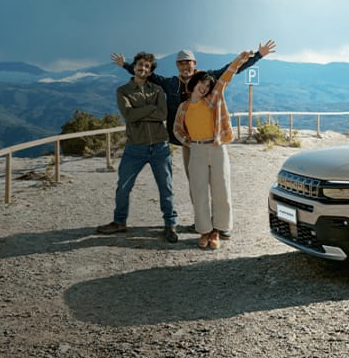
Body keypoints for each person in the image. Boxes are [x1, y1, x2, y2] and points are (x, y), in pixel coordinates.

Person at [111, 40, 277, 238]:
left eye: (188, 62)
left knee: (218, 183)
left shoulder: (206, 78)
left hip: (212, 140)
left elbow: (231, 70)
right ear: (177, 66)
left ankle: (220, 224)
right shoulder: (170, 84)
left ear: (194, 64)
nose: (185, 66)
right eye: (181, 63)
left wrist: (258, 55)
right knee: (196, 184)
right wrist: (125, 65)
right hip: (188, 142)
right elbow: (147, 74)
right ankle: (202, 222)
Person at [95, 52, 178, 242]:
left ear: (150, 71)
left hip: (160, 146)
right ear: (134, 67)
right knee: (123, 187)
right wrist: (151, 108)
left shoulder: (158, 89)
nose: (143, 68)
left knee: (166, 187)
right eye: (140, 64)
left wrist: (139, 111)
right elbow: (129, 115)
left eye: (147, 66)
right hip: (135, 147)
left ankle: (170, 225)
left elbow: (162, 114)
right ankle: (119, 222)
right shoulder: (123, 91)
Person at [174, 50, 252, 249]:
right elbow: (177, 129)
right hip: (196, 151)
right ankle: (204, 231)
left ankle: (217, 231)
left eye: (208, 86)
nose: (205, 88)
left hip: (216, 148)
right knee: (198, 192)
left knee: (221, 190)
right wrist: (187, 141)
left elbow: (226, 77)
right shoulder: (183, 107)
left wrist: (241, 59)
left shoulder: (212, 99)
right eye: (202, 84)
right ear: (194, 84)